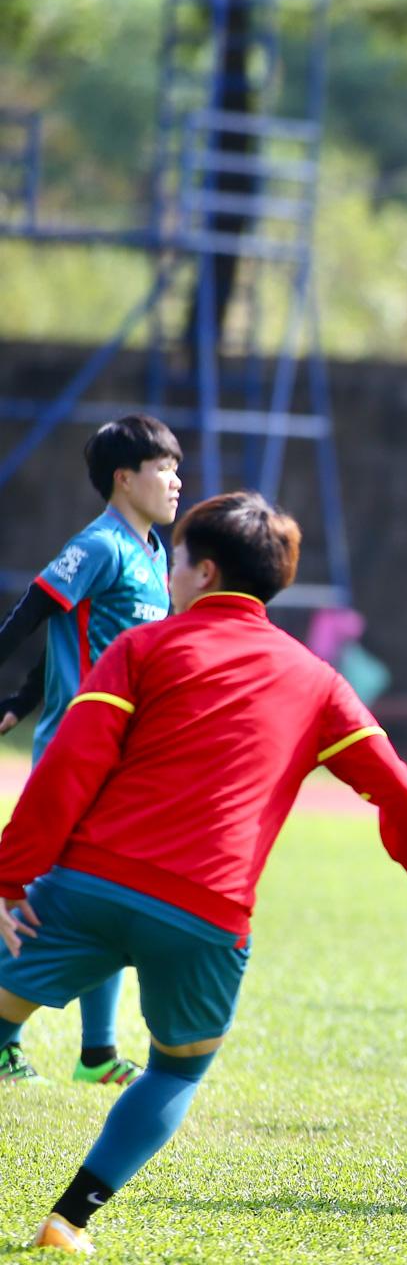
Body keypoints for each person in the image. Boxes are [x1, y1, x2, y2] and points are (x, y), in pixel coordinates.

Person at [0, 492, 407, 1255]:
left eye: (173, 562)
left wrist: (8, 880)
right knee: (174, 1073)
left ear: (203, 570)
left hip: (88, 887)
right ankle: (68, 1220)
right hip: (204, 915)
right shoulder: (319, 682)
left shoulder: (142, 648)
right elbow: (398, 792)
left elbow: (69, 766)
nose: (167, 576)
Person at [0, 414, 183, 1089]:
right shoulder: (100, 544)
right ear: (124, 477)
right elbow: (35, 614)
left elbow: (76, 638)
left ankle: (96, 1053)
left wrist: (20, 698)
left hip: (126, 758)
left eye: (176, 466)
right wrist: (22, 699)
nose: (176, 480)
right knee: (42, 888)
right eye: (163, 467)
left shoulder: (155, 551)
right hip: (76, 756)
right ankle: (6, 1039)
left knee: (109, 891)